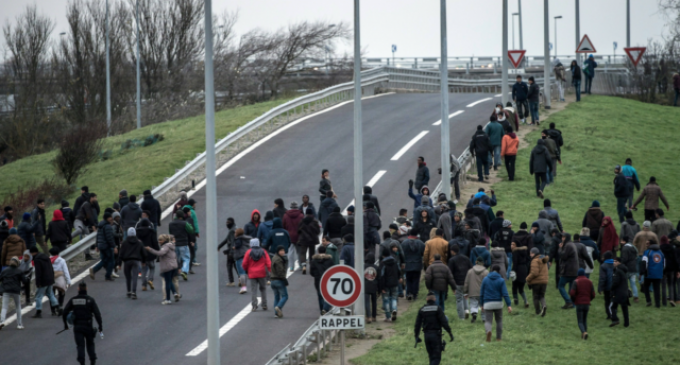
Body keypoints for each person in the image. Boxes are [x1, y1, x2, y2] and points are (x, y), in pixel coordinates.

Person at [61, 282, 102, 365]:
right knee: (90, 344)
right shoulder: (90, 300)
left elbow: (65, 312)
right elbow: (97, 314)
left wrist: (66, 325)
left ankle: (82, 362)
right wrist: (100, 326)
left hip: (78, 327)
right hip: (88, 326)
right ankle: (92, 361)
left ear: (78, 289)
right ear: (86, 289)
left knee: (80, 345)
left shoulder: (73, 300)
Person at [414, 291, 454, 365]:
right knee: (436, 358)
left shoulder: (422, 309)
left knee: (431, 356)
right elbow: (444, 322)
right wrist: (450, 333)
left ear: (427, 299)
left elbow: (417, 324)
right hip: (436, 335)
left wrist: (416, 336)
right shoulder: (438, 309)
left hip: (427, 336)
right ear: (434, 299)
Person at [480, 265, 512, 342]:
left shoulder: (485, 279)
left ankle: (488, 331)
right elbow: (505, 294)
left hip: (487, 303)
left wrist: (481, 304)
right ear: (499, 271)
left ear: (491, 270)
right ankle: (498, 338)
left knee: (488, 320)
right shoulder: (501, 280)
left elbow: (481, 293)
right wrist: (509, 305)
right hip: (498, 303)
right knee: (499, 321)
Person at [145, 234, 178, 304]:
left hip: (167, 266)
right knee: (170, 281)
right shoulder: (171, 245)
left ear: (164, 240)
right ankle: (175, 293)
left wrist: (150, 249)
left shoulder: (165, 246)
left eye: (160, 240)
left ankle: (168, 299)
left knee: (167, 283)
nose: (159, 241)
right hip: (173, 265)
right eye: (158, 240)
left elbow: (160, 253)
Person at [242, 238, 271, 311]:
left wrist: (246, 269)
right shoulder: (263, 251)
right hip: (262, 273)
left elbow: (244, 263)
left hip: (252, 274)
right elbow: (268, 263)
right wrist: (270, 271)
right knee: (263, 289)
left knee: (254, 290)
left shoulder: (248, 252)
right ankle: (264, 304)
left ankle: (254, 305)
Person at [30, 246, 60, 317]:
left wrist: (38, 283)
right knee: (50, 294)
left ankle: (38, 311)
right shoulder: (46, 257)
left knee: (38, 296)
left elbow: (38, 272)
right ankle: (57, 307)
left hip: (43, 280)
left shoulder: (37, 259)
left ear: (33, 253)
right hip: (50, 279)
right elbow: (51, 268)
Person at [117, 228, 146, 299]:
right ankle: (134, 292)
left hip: (127, 261)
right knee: (135, 277)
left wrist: (119, 263)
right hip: (136, 261)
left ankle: (128, 291)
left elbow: (121, 254)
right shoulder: (139, 242)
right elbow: (144, 253)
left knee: (128, 277)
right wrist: (143, 261)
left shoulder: (124, 242)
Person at [569, 268, 595, 340]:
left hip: (579, 303)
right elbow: (593, 294)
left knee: (580, 321)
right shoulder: (590, 282)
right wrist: (589, 299)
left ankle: (584, 332)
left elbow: (572, 293)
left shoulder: (576, 281)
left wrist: (574, 300)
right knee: (584, 320)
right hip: (587, 304)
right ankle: (584, 335)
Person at [0, 256, 25, 330]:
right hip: (16, 291)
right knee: (18, 307)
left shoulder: (5, 271)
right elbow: (24, 280)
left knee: (4, 307)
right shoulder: (19, 271)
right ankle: (19, 324)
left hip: (6, 290)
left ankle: (1, 321)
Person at [168, 211, 194, 281]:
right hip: (183, 243)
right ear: (182, 216)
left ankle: (176, 272)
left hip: (174, 244)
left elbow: (170, 233)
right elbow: (191, 230)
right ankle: (184, 271)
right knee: (186, 258)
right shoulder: (184, 223)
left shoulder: (171, 224)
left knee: (176, 258)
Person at [448, 244, 472, 319]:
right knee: (465, 296)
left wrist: (452, 286)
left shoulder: (452, 260)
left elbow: (450, 273)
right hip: (466, 281)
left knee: (459, 299)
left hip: (457, 282)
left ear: (452, 251)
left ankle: (461, 317)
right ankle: (466, 310)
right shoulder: (466, 258)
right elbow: (471, 268)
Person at [633, 221, 659, 286]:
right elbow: (657, 245)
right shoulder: (653, 235)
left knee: (639, 270)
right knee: (649, 270)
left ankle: (641, 282)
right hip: (650, 255)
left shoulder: (638, 234)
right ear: (649, 226)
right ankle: (649, 286)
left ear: (643, 226)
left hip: (640, 254)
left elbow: (634, 244)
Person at [136, 218, 159, 291]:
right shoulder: (152, 232)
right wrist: (157, 251)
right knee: (152, 267)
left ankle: (144, 285)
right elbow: (155, 242)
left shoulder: (137, 232)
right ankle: (150, 279)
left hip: (141, 253)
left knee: (143, 269)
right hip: (150, 251)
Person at [402, 230, 425, 301]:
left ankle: (409, 293)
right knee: (416, 279)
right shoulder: (421, 243)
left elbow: (402, 254)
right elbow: (423, 253)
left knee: (408, 279)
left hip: (408, 263)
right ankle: (415, 294)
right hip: (417, 264)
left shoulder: (404, 243)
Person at [464, 257, 489, 323]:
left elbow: (466, 282)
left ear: (476, 262)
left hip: (472, 292)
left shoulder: (470, 271)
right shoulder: (486, 272)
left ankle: (474, 314)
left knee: (473, 304)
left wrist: (465, 292)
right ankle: (484, 318)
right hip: (483, 293)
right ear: (483, 263)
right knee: (483, 305)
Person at [310, 246, 334, 314]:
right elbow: (333, 270)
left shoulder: (314, 261)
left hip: (318, 280)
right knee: (328, 295)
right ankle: (325, 308)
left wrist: (316, 275)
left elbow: (311, 272)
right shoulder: (329, 260)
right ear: (325, 251)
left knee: (320, 295)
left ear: (318, 251)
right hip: (328, 279)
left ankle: (322, 310)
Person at [558, 233, 579, 309]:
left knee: (560, 286)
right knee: (571, 289)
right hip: (574, 270)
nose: (562, 238)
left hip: (568, 270)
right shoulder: (571, 244)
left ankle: (568, 301)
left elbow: (563, 256)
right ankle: (572, 304)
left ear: (567, 238)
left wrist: (560, 248)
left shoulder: (568, 245)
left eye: (564, 237)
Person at [642, 238, 665, 307]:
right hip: (658, 274)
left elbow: (644, 263)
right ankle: (657, 304)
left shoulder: (647, 252)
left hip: (649, 274)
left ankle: (648, 300)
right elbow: (664, 264)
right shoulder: (661, 252)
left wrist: (642, 272)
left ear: (651, 244)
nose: (646, 245)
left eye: (647, 244)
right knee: (657, 289)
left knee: (645, 286)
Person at [526, 247, 549, 316]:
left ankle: (538, 311)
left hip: (536, 282)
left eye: (531, 253)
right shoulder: (543, 260)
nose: (530, 255)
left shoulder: (534, 261)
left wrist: (527, 278)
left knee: (535, 297)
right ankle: (544, 306)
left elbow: (534, 273)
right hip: (544, 281)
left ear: (534, 253)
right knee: (542, 296)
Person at [298, 208, 320, 274]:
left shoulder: (302, 221)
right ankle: (311, 267)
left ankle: (304, 265)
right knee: (312, 254)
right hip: (312, 240)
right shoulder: (315, 222)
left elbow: (298, 230)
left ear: (306, 214)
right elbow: (318, 231)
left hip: (303, 239)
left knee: (303, 253)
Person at [610, 257, 631, 327]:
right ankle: (626, 323)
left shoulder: (618, 271)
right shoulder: (624, 270)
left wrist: (611, 288)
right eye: (613, 261)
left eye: (615, 261)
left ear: (619, 262)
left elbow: (616, 282)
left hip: (618, 292)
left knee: (613, 307)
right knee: (624, 308)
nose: (614, 262)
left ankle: (615, 319)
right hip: (624, 292)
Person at [660, 234, 679, 307]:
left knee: (663, 285)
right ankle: (671, 299)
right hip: (672, 268)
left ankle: (664, 302)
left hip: (663, 268)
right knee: (671, 284)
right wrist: (678, 270)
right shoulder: (672, 248)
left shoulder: (660, 248)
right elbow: (675, 259)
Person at [270, 246, 289, 318]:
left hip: (273, 281)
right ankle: (279, 306)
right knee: (285, 296)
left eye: (283, 251)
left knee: (276, 297)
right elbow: (280, 271)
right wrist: (284, 280)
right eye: (281, 251)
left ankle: (276, 313)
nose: (283, 252)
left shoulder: (274, 258)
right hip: (279, 280)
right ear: (278, 251)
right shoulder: (279, 260)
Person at [620, 237, 640, 303]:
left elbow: (624, 259)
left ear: (624, 241)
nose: (620, 242)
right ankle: (636, 297)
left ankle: (625, 296)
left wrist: (620, 264)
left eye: (621, 241)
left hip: (626, 268)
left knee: (624, 283)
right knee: (633, 284)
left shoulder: (625, 248)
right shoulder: (633, 247)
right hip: (633, 268)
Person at [511, 241, 529, 308]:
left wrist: (513, 271)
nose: (512, 246)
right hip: (524, 270)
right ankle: (526, 301)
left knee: (514, 287)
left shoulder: (515, 252)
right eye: (511, 244)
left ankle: (516, 302)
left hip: (517, 270)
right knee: (521, 288)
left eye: (513, 244)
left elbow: (515, 263)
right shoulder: (524, 252)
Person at [232, 229, 250, 294]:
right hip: (246, 257)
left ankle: (243, 287)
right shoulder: (245, 239)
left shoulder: (238, 239)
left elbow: (237, 246)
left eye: (236, 232)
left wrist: (234, 247)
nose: (234, 233)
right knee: (244, 273)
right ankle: (244, 286)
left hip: (240, 257)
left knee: (241, 273)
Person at [598, 251, 615, 319]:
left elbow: (602, 278)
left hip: (607, 287)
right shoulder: (615, 264)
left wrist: (600, 288)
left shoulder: (603, 266)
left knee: (607, 301)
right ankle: (613, 313)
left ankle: (609, 315)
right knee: (613, 301)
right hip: (615, 286)